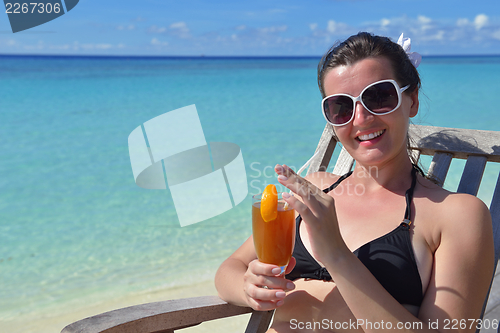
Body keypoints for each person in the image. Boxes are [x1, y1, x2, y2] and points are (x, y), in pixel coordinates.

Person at [215, 32, 495, 332]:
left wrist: (336, 254)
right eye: (341, 107)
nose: (360, 119)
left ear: (411, 100)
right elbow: (229, 270)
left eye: (379, 97)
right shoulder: (314, 189)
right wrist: (250, 288)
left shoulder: (456, 214)